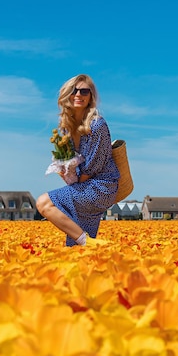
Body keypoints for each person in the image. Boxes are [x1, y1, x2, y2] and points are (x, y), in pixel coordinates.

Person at [36, 74, 119, 246]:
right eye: (74, 91)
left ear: (91, 97)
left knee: (43, 203)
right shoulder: (67, 129)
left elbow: (92, 168)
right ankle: (88, 244)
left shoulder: (97, 125)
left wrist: (74, 184)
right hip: (84, 185)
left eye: (84, 91)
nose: (78, 95)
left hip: (100, 186)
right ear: (67, 95)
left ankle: (86, 241)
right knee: (75, 252)